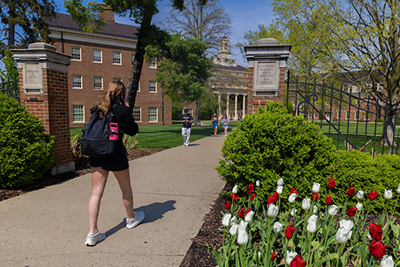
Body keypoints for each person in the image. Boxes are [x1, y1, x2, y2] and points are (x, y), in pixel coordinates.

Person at [85, 81, 144, 246]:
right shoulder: (122, 110)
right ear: (122, 94)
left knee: (96, 193)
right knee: (126, 188)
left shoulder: (98, 108)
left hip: (97, 154)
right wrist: (127, 109)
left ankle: (92, 233)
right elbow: (133, 130)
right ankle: (131, 219)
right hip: (115, 154)